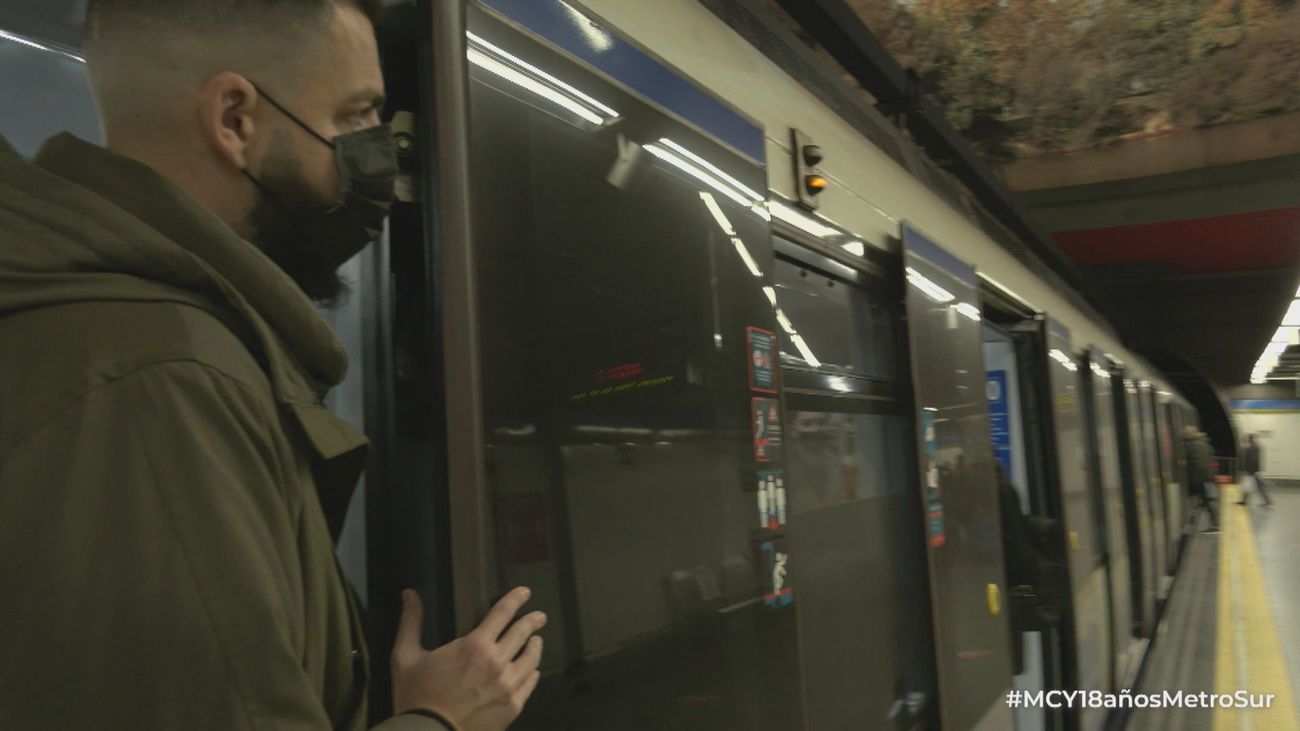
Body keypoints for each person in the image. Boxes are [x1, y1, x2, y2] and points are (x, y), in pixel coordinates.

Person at [0, 2, 544, 729]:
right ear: (235, 119)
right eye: (356, 117)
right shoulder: (161, 384)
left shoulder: (140, 330)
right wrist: (441, 719)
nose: (377, 154)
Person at [1182, 426, 1217, 532]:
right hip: (1204, 478)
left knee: (1207, 502)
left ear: (1190, 434)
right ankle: (1213, 523)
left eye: (1185, 433)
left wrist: (1196, 480)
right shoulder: (1201, 443)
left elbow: (1199, 464)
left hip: (1201, 479)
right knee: (1206, 501)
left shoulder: (1195, 445)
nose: (1183, 435)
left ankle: (1215, 524)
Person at [1236, 433, 1273, 507]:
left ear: (1250, 439)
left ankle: (1244, 501)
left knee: (1249, 486)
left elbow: (1253, 460)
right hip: (1253, 471)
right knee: (1253, 486)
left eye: (1248, 439)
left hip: (1251, 471)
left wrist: (1250, 471)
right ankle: (1267, 501)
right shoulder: (1254, 447)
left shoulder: (1253, 447)